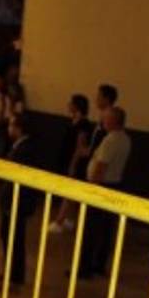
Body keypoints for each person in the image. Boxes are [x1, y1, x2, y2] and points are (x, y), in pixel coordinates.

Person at [52, 83, 117, 234]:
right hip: (87, 158)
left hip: (91, 162)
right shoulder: (99, 120)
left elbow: (91, 144)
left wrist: (84, 154)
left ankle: (60, 220)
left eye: (99, 96)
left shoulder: (95, 123)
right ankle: (69, 220)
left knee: (72, 190)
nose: (96, 99)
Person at [78, 106, 132, 278]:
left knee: (91, 229)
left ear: (114, 121)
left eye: (106, 118)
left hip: (101, 186)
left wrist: (92, 188)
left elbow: (101, 166)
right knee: (106, 229)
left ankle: (84, 268)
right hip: (115, 185)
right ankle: (99, 264)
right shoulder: (125, 139)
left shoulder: (111, 140)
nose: (103, 121)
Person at [0, 114, 42, 288]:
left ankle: (14, 275)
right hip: (15, 200)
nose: (9, 129)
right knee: (10, 237)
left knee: (13, 238)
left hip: (16, 201)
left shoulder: (24, 149)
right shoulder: (23, 147)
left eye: (11, 125)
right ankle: (12, 272)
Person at [48, 94, 95, 231]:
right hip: (67, 159)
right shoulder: (74, 121)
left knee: (68, 192)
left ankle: (59, 221)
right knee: (71, 192)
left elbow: (80, 146)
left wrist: (73, 164)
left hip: (75, 162)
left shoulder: (83, 124)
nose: (68, 104)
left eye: (71, 103)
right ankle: (70, 219)